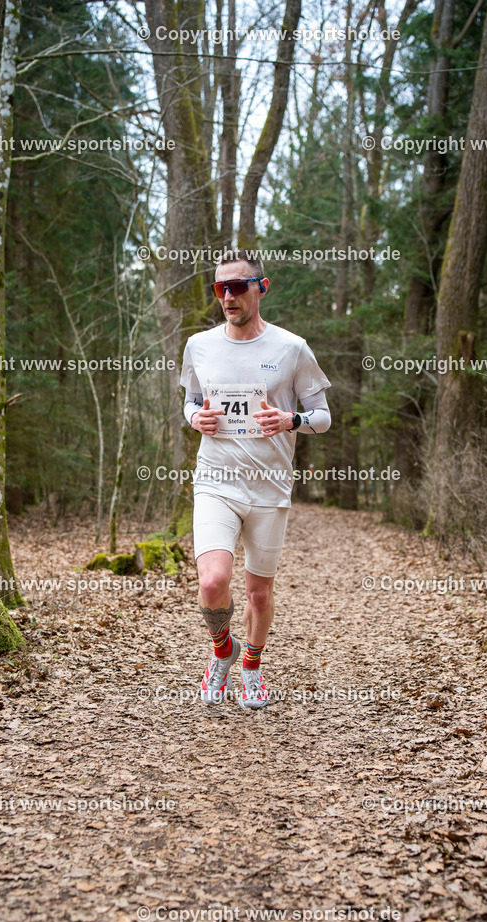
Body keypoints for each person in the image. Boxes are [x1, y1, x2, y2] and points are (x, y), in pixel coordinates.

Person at [180, 250, 331, 710]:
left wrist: (291, 420)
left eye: (237, 287)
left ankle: (252, 667)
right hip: (216, 480)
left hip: (269, 487)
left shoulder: (291, 347)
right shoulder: (198, 345)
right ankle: (222, 650)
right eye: (219, 288)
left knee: (259, 592)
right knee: (212, 582)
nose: (227, 296)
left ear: (261, 288)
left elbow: (322, 418)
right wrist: (195, 419)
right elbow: (190, 400)